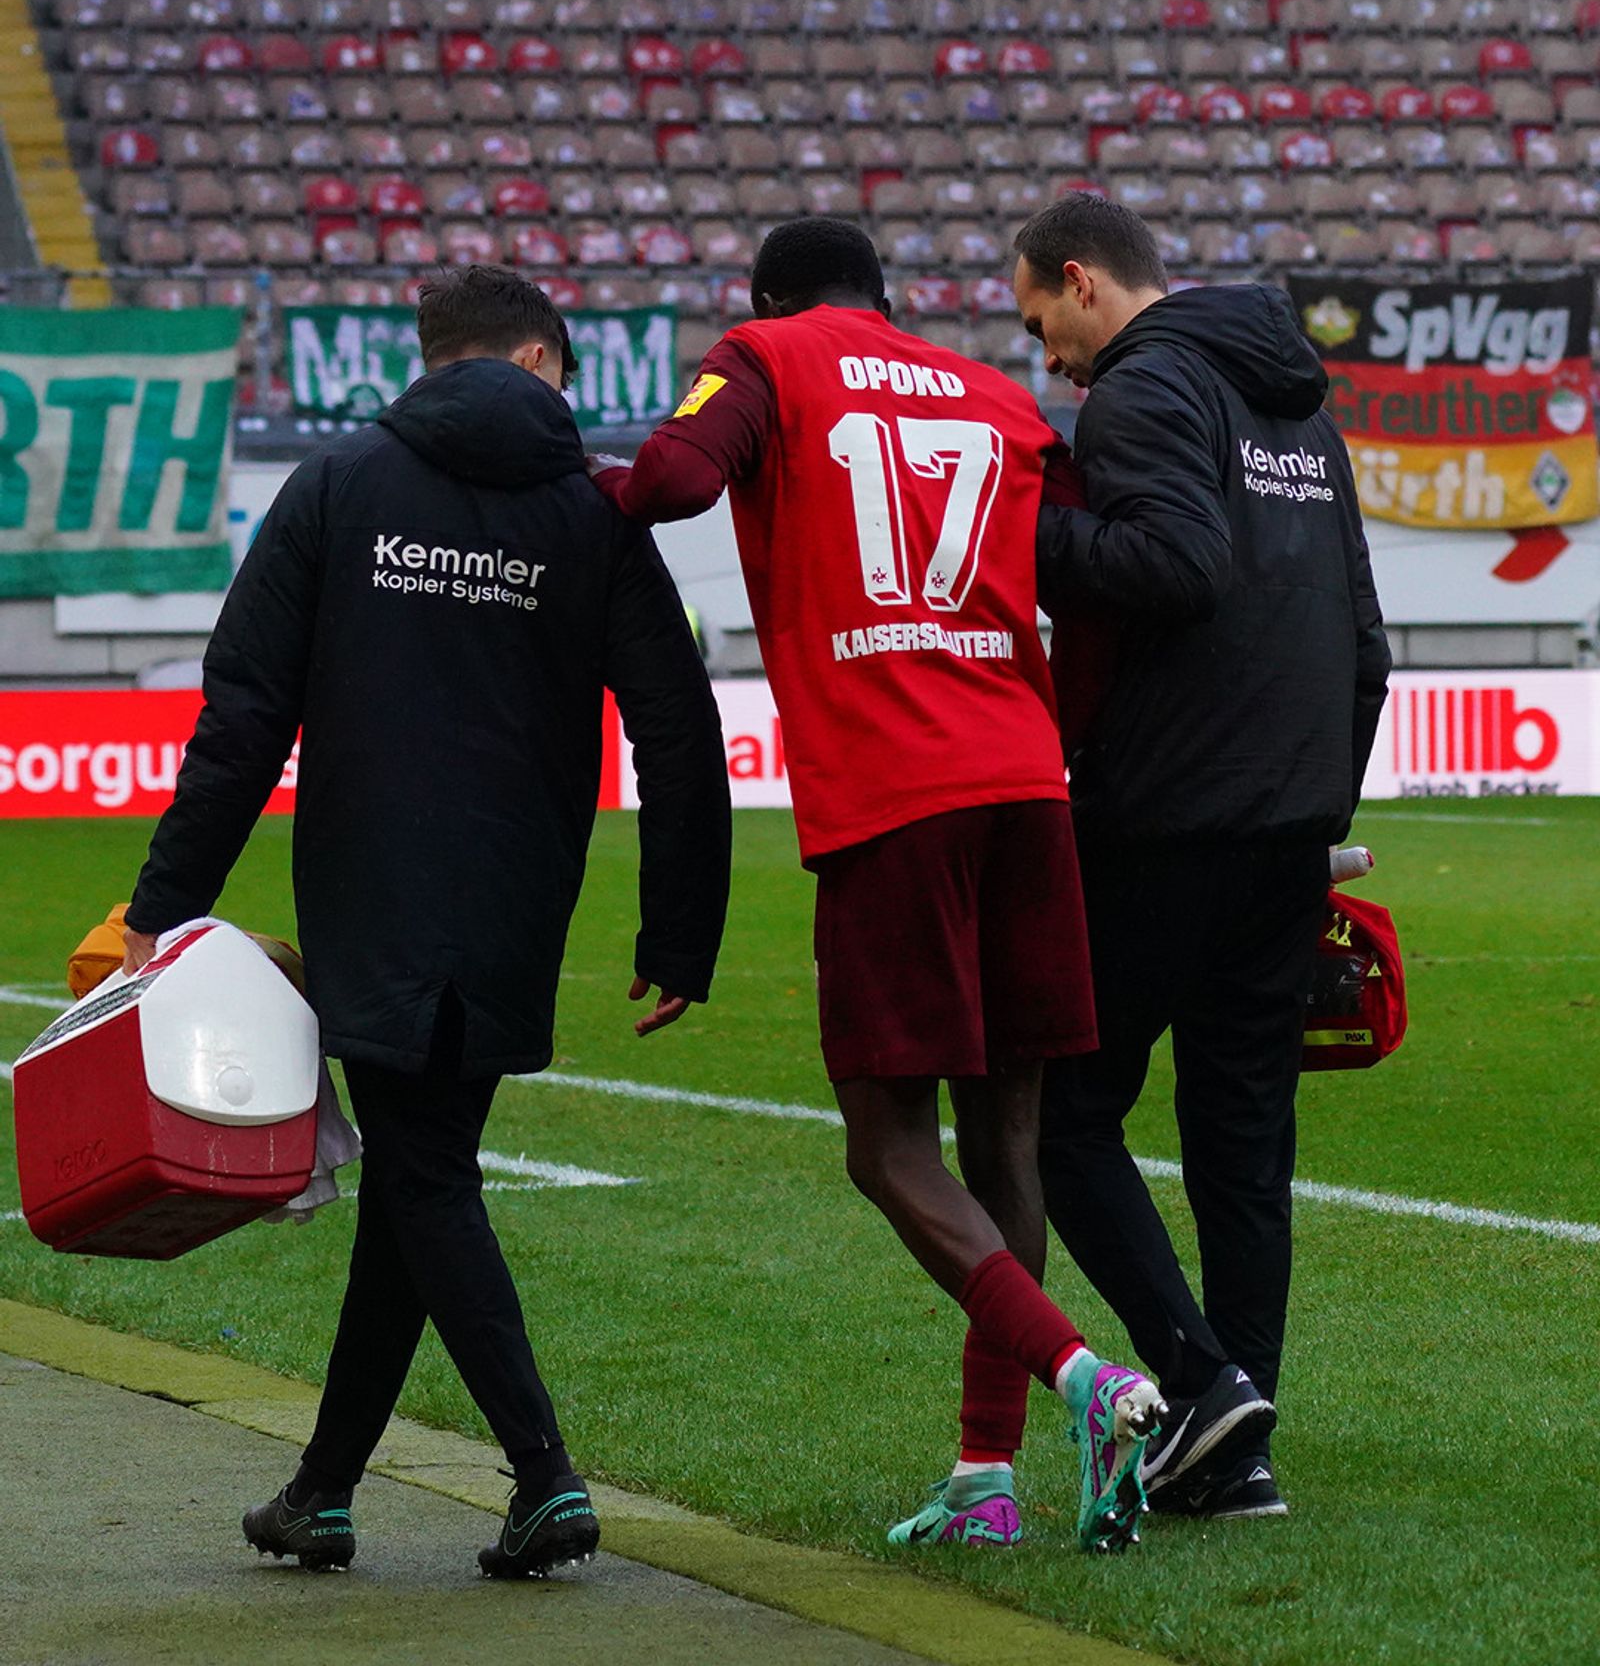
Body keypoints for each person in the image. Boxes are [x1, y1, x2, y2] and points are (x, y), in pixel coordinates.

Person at [121, 263, 732, 1580]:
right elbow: (682, 733)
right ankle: (324, 1491)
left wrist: (166, 907)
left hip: (373, 892)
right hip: (518, 894)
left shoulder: (338, 487)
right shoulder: (594, 514)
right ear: (534, 362)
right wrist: (680, 934)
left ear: (436, 357)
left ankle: (543, 1473)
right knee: (420, 1170)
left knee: (423, 1170)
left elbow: (243, 721)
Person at [595, 218, 1166, 1556]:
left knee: (886, 1146)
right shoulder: (993, 388)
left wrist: (576, 488)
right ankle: (987, 1474)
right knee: (1008, 1138)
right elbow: (1087, 590)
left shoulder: (766, 355)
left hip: (890, 789)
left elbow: (675, 477)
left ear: (772, 297)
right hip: (1025, 782)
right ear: (887, 295)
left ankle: (1086, 1379)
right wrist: (1050, 733)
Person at [1011, 195, 1390, 1522]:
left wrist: (1016, 533)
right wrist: (1316, 809)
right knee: (1242, 1147)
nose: (1047, 357)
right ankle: (1238, 1456)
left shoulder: (1145, 392)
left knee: (1061, 1120)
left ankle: (1203, 1382)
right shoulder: (1302, 413)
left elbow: (1172, 567)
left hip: (1165, 827)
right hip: (1286, 836)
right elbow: (1367, 645)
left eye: (1041, 321)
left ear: (1082, 282)